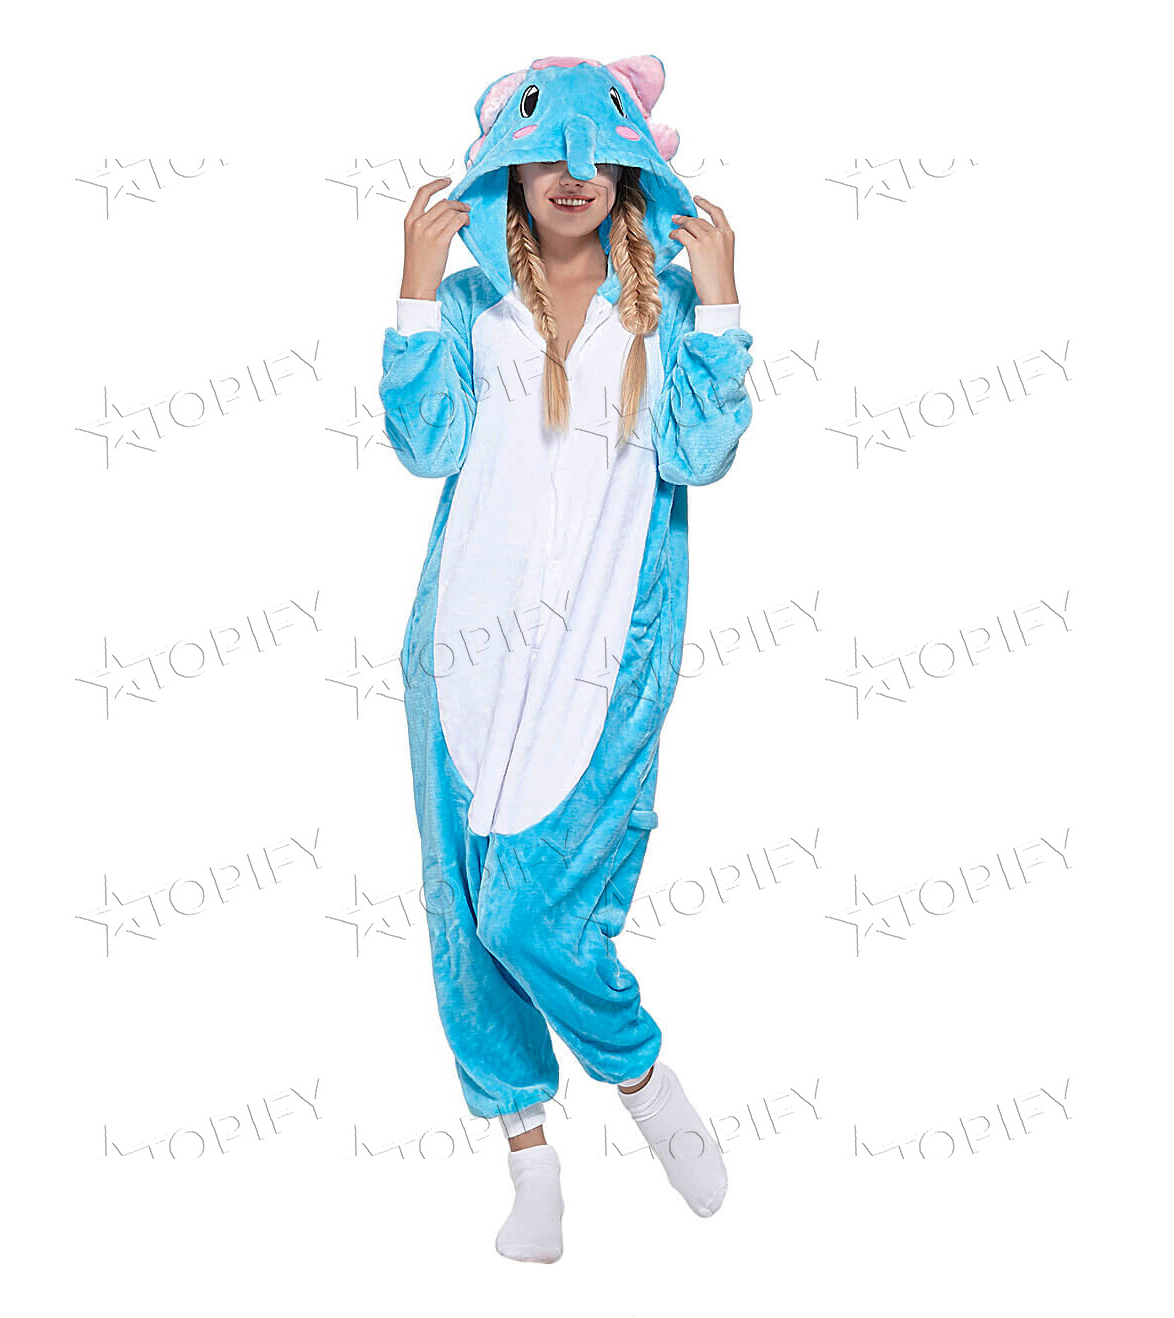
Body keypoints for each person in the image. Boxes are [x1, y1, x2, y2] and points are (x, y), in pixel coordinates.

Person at [378, 54, 755, 1263]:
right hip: (465, 651)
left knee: (534, 911)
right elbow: (426, 444)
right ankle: (528, 1161)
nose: (573, 176)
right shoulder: (469, 306)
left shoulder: (667, 311)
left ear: (633, 169)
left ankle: (646, 1086)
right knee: (466, 909)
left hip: (600, 654)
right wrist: (412, 287)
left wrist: (724, 298)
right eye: (546, 154)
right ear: (510, 170)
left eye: (597, 157)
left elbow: (699, 454)